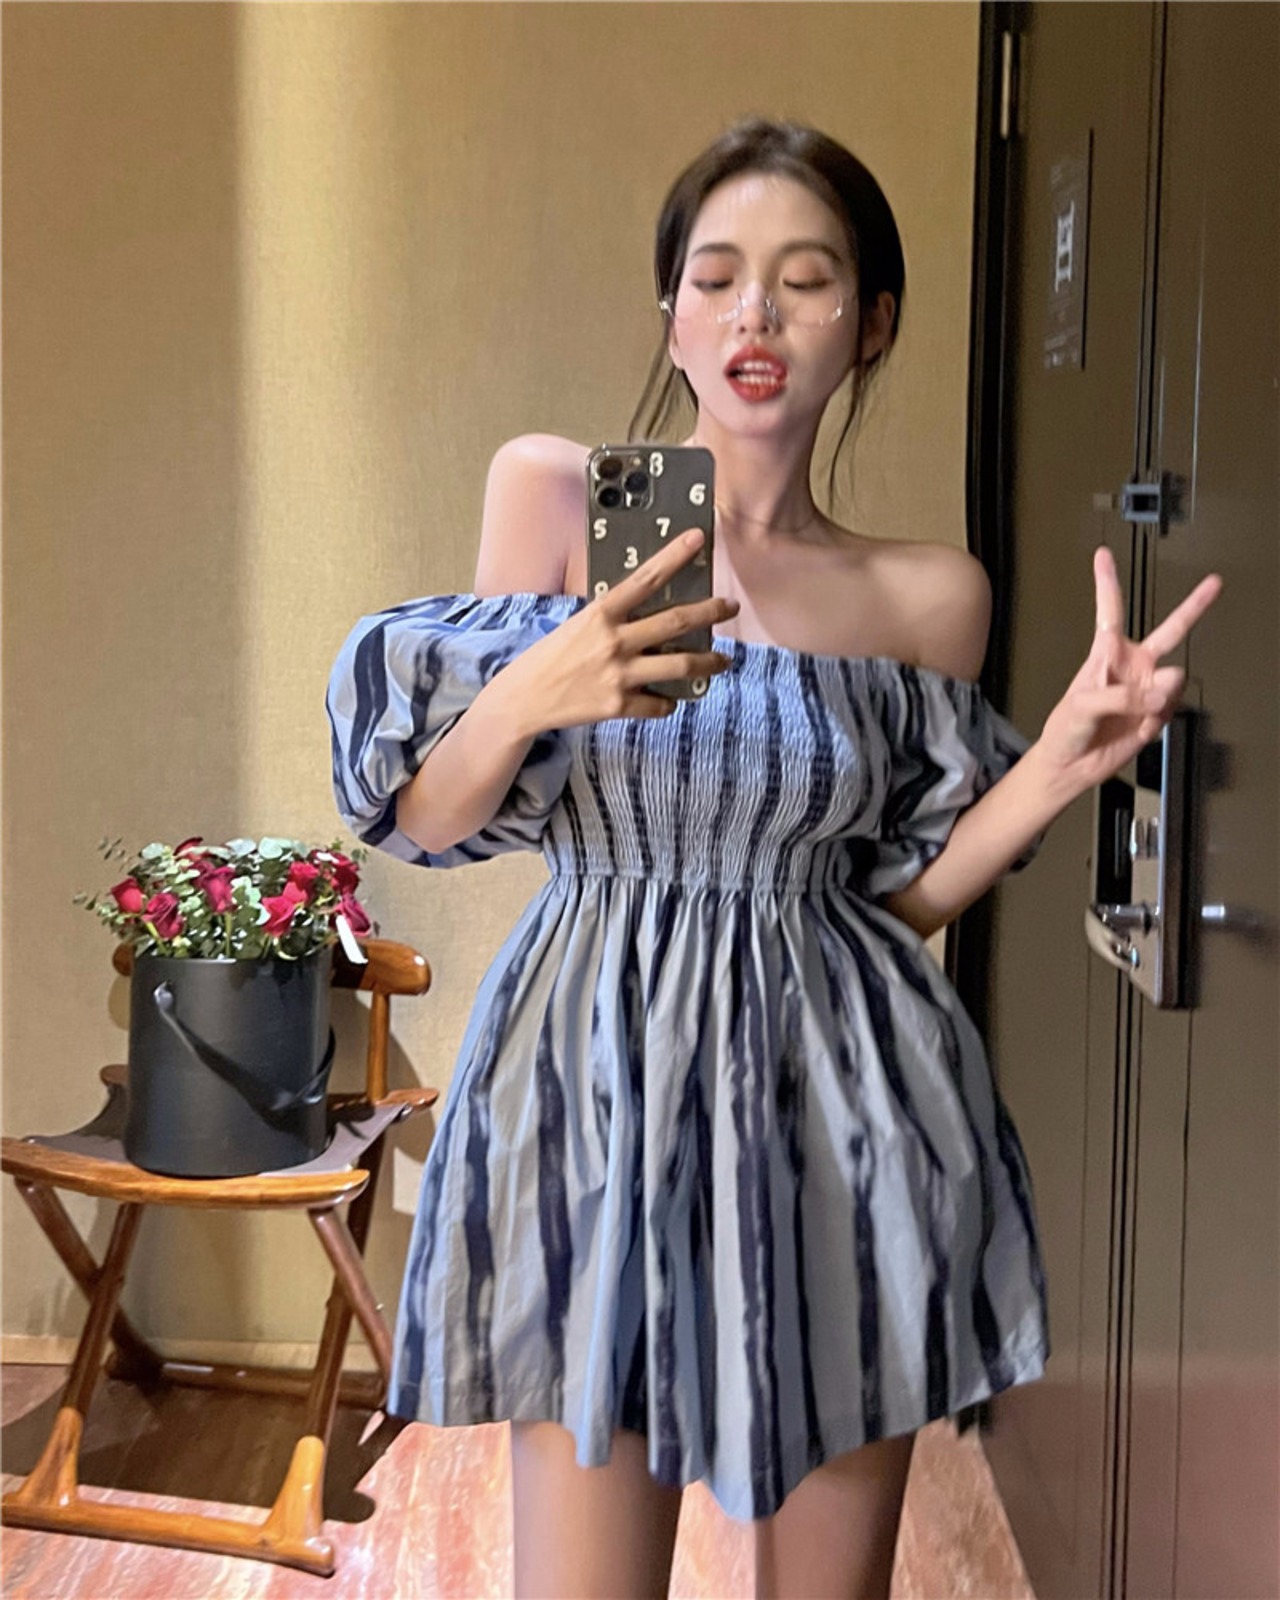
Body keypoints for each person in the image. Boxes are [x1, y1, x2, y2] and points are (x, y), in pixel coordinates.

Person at [327, 118, 1221, 1599]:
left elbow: (897, 908)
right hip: (590, 1096)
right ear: (671, 315)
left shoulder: (925, 596)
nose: (756, 313)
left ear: (871, 326)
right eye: (716, 277)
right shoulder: (563, 499)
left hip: (839, 1120)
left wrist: (1063, 757)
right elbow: (428, 819)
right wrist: (538, 685)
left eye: (806, 282)